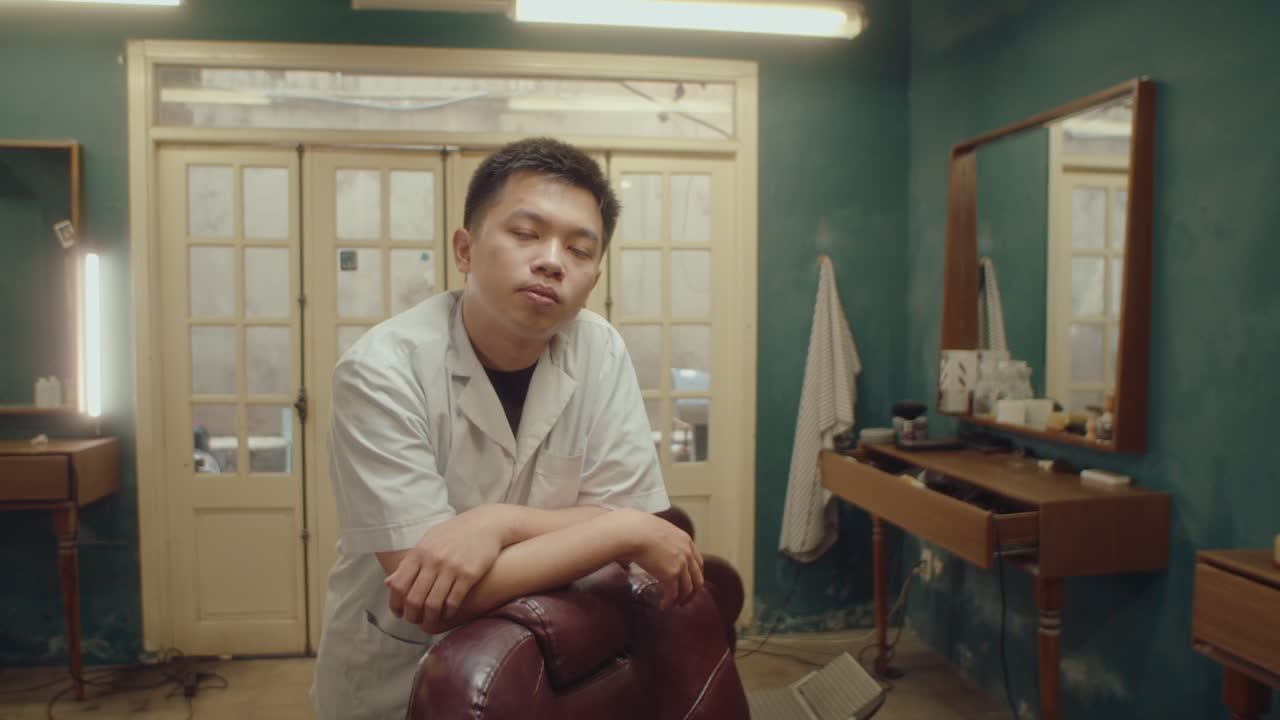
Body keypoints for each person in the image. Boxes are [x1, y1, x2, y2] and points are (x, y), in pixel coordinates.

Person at [311, 137, 704, 719]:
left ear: (594, 277)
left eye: (579, 249)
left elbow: (620, 508)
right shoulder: (381, 371)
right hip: (401, 676)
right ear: (464, 249)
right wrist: (622, 530)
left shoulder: (597, 349)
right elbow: (432, 595)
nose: (552, 261)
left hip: (541, 663)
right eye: (525, 233)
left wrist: (498, 522)